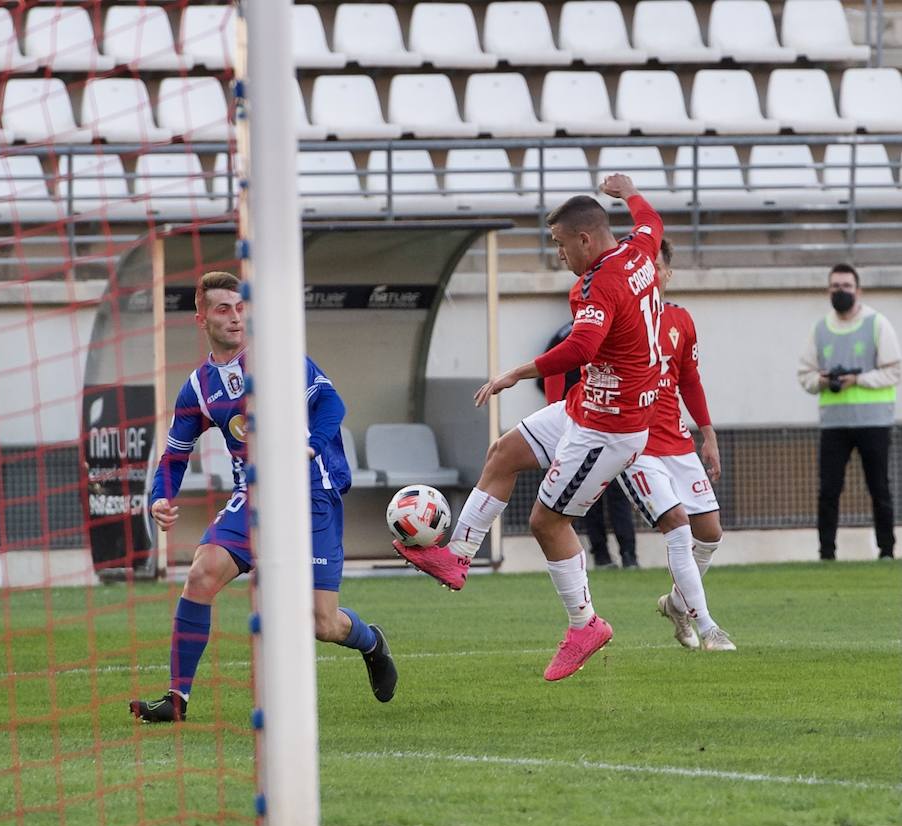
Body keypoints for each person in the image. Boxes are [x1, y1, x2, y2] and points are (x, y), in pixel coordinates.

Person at [395, 174, 671, 681]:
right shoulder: (639, 251)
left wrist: (517, 372)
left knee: (547, 521)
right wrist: (630, 192)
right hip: (587, 403)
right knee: (504, 452)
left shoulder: (597, 283)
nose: (559, 255)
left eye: (560, 245)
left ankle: (585, 624)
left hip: (610, 425)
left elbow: (583, 348)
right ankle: (456, 558)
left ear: (584, 239)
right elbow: (651, 221)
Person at [129, 271, 397, 722]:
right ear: (202, 319)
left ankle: (371, 640)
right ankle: (176, 700)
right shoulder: (198, 387)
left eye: (240, 308)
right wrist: (161, 495)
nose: (235, 318)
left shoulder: (278, 360)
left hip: (311, 491)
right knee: (201, 574)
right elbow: (174, 454)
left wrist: (311, 443)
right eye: (223, 309)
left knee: (321, 623)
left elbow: (331, 404)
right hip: (253, 496)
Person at [615, 239, 735, 651]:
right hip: (637, 445)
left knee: (710, 533)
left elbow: (690, 380)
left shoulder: (680, 320)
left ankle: (676, 603)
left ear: (666, 274)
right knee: (680, 530)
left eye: (657, 267)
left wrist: (708, 434)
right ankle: (709, 629)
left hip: (678, 442)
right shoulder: (619, 317)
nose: (651, 275)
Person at [797, 264, 899, 560]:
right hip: (834, 424)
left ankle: (887, 552)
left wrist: (859, 379)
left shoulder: (877, 324)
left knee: (879, 488)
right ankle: (826, 553)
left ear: (858, 290)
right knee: (828, 490)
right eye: (835, 286)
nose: (840, 291)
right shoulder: (820, 329)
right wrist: (823, 380)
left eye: (846, 286)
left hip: (874, 422)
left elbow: (894, 370)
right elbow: (804, 374)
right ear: (828, 290)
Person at [541, 322, 639, 570]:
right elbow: (548, 371)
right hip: (580, 430)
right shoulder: (566, 335)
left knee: (618, 493)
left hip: (613, 429)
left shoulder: (616, 329)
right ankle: (604, 556)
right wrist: (560, 416)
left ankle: (628, 554)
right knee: (586, 500)